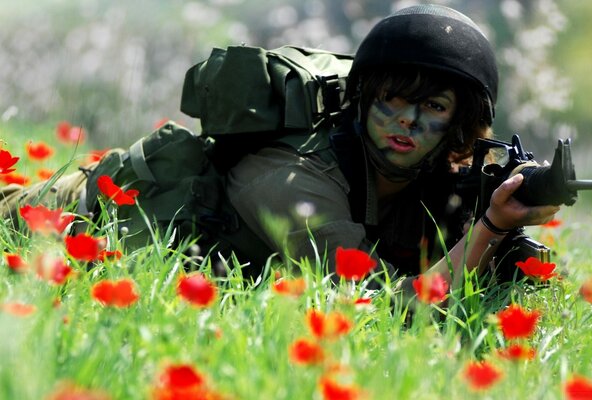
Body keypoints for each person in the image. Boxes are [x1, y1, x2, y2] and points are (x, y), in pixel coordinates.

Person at [1, 4, 559, 291]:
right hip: (66, 215)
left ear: (460, 125)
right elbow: (391, 311)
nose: (407, 122)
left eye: (434, 108)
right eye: (393, 99)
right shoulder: (298, 181)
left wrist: (507, 227)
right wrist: (491, 227)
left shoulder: (434, 173)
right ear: (363, 99)